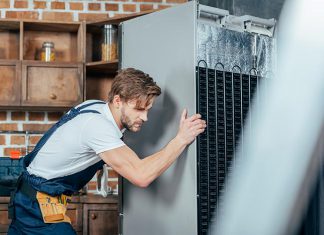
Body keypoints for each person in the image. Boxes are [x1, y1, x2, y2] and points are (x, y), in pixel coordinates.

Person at [8, 68, 206, 234]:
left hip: (29, 198)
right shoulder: (98, 126)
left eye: (148, 109)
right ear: (118, 101)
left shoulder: (95, 106)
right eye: (139, 109)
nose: (145, 117)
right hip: (36, 207)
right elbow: (141, 175)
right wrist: (181, 139)